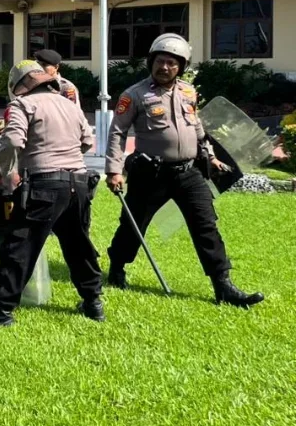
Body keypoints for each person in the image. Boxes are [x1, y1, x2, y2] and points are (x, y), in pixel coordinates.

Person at [105, 34, 264, 308]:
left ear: (181, 67)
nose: (164, 67)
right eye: (160, 61)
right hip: (149, 173)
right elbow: (117, 132)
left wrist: (211, 157)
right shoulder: (134, 95)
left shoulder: (189, 92)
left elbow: (197, 128)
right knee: (133, 226)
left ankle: (223, 285)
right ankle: (117, 267)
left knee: (206, 226)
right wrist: (114, 171)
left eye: (171, 63)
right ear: (151, 62)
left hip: (189, 174)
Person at [0, 60, 102, 327]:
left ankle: (2, 311)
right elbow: (87, 141)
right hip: (80, 183)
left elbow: (13, 141)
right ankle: (93, 303)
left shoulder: (22, 105)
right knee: (78, 246)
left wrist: (4, 172)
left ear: (19, 86)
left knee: (20, 247)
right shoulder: (68, 104)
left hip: (45, 186)